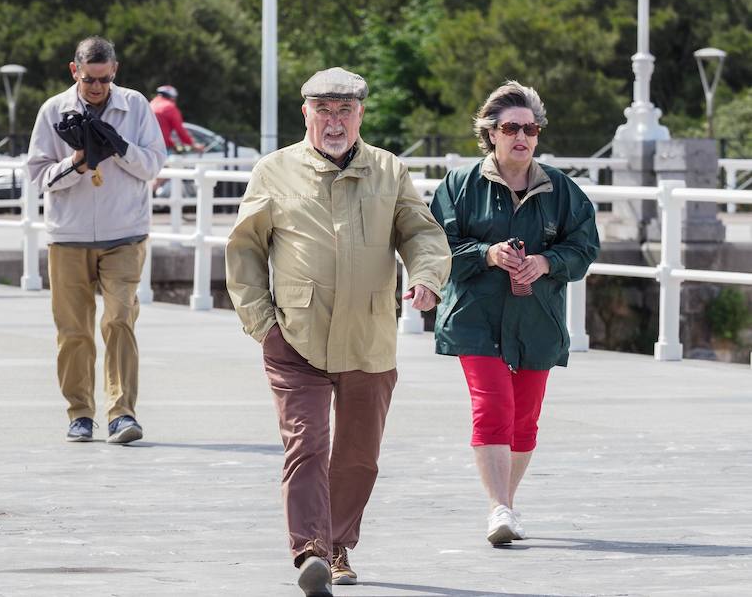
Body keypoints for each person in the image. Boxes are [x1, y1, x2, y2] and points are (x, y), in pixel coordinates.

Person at [226, 67, 451, 597]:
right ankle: (310, 550)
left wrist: (425, 280)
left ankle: (337, 545)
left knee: (358, 455)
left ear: (360, 116)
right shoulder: (273, 171)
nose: (334, 121)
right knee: (306, 443)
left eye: (344, 111)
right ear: (305, 113)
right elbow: (244, 251)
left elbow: (421, 233)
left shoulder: (388, 171)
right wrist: (262, 323)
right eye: (323, 110)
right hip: (295, 335)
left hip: (368, 336)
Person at [429, 80, 599, 546]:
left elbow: (584, 248)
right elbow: (437, 246)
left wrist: (546, 262)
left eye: (531, 128)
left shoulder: (562, 190)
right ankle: (498, 508)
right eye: (511, 127)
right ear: (491, 133)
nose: (522, 136)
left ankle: (505, 502)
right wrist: (487, 254)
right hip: (474, 316)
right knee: (494, 406)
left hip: (537, 318)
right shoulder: (459, 185)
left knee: (525, 419)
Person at [27, 36, 167, 444]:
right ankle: (80, 413)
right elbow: (38, 177)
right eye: (90, 79)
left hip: (125, 234)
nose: (97, 88)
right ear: (75, 71)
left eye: (104, 80)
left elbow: (154, 163)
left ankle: (122, 413)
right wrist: (78, 162)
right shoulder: (53, 110)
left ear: (115, 71)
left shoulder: (136, 105)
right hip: (68, 236)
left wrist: (119, 147)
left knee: (119, 319)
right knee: (73, 332)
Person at [149, 85, 202, 154]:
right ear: (172, 97)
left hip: (146, 146)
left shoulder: (150, 105)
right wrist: (192, 144)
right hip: (161, 147)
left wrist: (172, 144)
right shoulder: (170, 107)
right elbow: (180, 130)